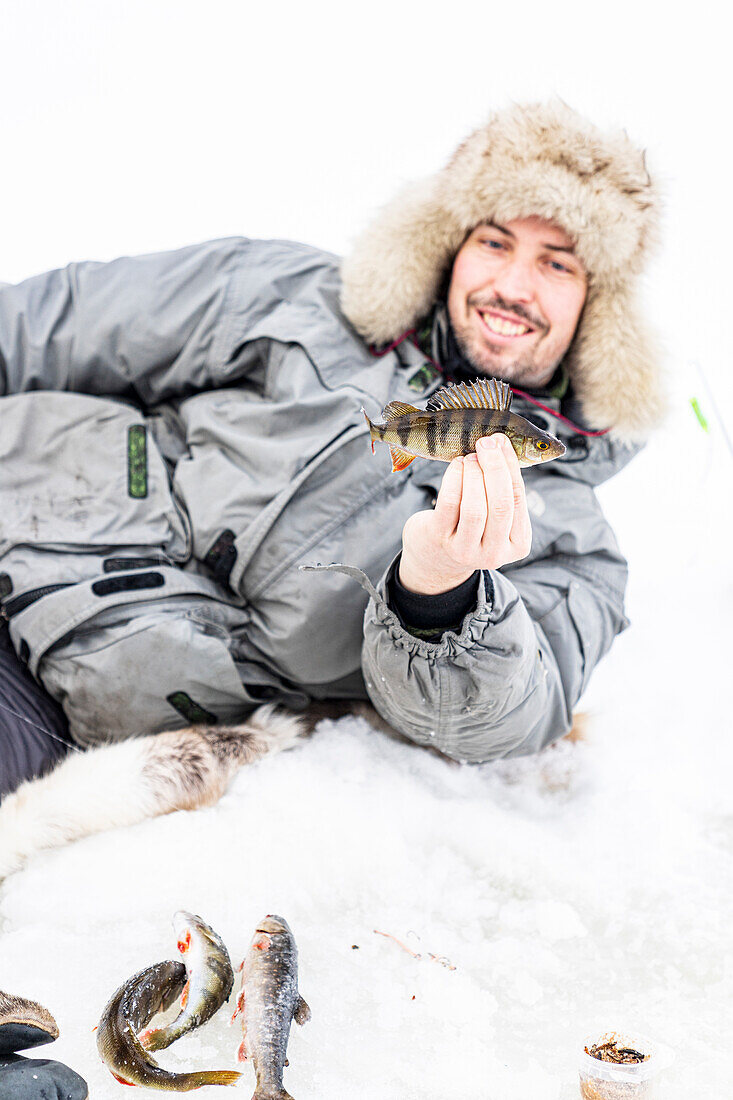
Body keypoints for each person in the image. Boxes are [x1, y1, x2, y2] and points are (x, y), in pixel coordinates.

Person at [0, 101, 662, 860]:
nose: (513, 284)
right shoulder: (292, 295)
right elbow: (53, 325)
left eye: (556, 263)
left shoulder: (573, 544)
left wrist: (439, 591)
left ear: (597, 303)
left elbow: (502, 718)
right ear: (447, 245)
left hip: (53, 677)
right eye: (494, 241)